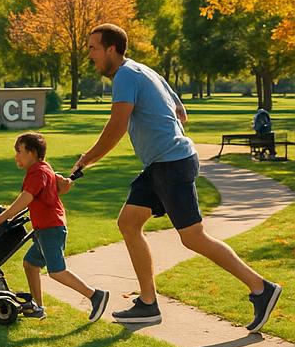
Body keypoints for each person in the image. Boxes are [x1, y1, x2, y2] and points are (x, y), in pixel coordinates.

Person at [71, 23, 282, 331]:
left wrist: (86, 159)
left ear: (111, 49)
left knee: (193, 237)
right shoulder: (146, 72)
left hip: (171, 164)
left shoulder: (126, 76)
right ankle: (148, 303)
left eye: (93, 48)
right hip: (161, 163)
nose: (89, 55)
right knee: (129, 222)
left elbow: (117, 126)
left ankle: (261, 288)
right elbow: (180, 110)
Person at [0, 132, 110, 322]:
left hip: (50, 228)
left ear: (32, 153)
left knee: (56, 271)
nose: (16, 156)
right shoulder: (44, 169)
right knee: (30, 265)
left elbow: (26, 198)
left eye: (19, 151)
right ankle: (38, 307)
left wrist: (4, 216)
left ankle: (95, 295)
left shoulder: (37, 172)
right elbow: (61, 186)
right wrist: (64, 182)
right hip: (45, 228)